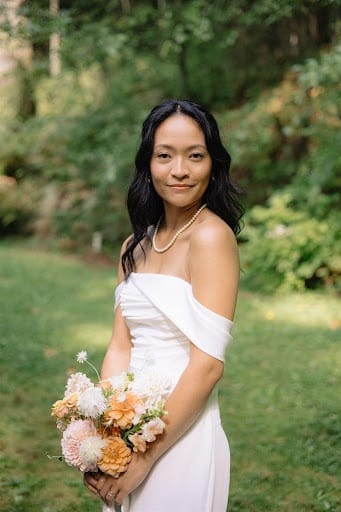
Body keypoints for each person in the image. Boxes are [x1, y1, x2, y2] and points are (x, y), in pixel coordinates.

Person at [84, 99, 243, 511]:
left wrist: (145, 458)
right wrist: (103, 439)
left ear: (213, 163)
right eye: (165, 156)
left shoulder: (211, 237)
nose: (179, 171)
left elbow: (207, 364)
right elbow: (121, 347)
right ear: (148, 163)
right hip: (128, 425)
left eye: (195, 156)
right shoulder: (133, 247)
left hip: (180, 433)